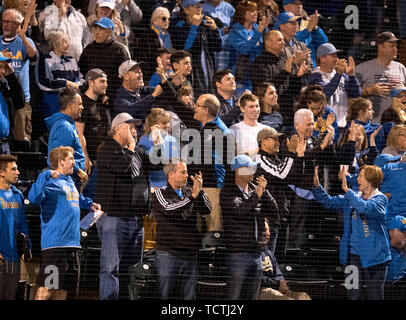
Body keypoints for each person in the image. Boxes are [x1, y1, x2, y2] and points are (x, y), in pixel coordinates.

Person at [95, 112, 163, 300]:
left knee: (131, 269)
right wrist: (132, 147)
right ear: (118, 128)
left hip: (136, 219)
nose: (135, 131)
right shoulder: (107, 148)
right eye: (130, 127)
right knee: (111, 268)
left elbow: (157, 165)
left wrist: (158, 144)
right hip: (115, 218)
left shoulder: (138, 152)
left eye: (135, 127)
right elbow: (125, 168)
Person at [28, 146, 101, 300]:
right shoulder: (49, 180)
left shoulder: (69, 180)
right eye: (71, 159)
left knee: (63, 291)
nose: (74, 163)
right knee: (47, 289)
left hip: (72, 244)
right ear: (60, 162)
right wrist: (46, 174)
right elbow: (33, 198)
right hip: (56, 246)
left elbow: (75, 198)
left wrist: (89, 204)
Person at [313, 164, 391, 300]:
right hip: (352, 258)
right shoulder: (353, 195)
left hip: (375, 259)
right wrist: (316, 185)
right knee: (352, 295)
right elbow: (328, 202)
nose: (357, 179)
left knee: (375, 296)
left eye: (360, 176)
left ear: (370, 180)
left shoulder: (381, 199)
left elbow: (365, 208)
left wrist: (347, 191)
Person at [152, 158, 212, 300]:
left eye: (187, 172)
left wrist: (201, 192)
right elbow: (170, 209)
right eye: (183, 172)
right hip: (168, 255)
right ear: (171, 174)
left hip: (190, 256)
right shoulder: (160, 194)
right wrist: (192, 197)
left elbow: (207, 210)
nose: (187, 175)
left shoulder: (189, 192)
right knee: (165, 295)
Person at [221, 154, 278, 300]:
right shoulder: (227, 192)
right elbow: (240, 211)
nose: (253, 171)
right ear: (238, 170)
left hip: (257, 253)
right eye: (249, 168)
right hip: (238, 254)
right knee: (233, 297)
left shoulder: (255, 189)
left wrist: (263, 191)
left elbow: (274, 210)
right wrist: (258, 193)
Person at [187, 93, 233, 232]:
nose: (194, 107)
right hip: (202, 186)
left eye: (197, 105)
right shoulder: (208, 128)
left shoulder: (216, 130)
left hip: (212, 188)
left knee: (214, 232)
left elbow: (222, 163)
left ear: (206, 110)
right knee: (200, 231)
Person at [0, 8, 38, 146]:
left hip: (21, 98)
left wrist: (23, 37)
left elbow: (34, 56)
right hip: (2, 98)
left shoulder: (25, 41)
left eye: (10, 22)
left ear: (18, 25)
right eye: (4, 21)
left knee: (21, 141)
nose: (6, 25)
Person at [35, 30, 84, 136]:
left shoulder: (72, 60)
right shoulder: (46, 59)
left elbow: (80, 79)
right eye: (64, 42)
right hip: (52, 102)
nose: (68, 45)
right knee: (54, 131)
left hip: (71, 100)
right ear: (55, 45)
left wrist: (75, 85)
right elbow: (43, 83)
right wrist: (65, 83)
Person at [170, 0, 222, 96]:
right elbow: (185, 48)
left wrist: (215, 30)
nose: (199, 8)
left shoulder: (204, 25)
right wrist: (194, 27)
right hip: (192, 75)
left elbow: (217, 47)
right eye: (195, 6)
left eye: (200, 5)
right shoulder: (178, 25)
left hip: (209, 72)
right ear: (186, 10)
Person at [308, 43, 362, 132]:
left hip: (343, 124)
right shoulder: (315, 76)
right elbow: (323, 95)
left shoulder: (343, 76)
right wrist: (339, 74)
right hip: (323, 124)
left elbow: (356, 94)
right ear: (323, 59)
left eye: (336, 55)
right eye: (333, 55)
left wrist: (351, 75)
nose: (336, 59)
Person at [355, 31, 406, 123]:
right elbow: (349, 94)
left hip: (398, 127)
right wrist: (369, 91)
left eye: (396, 46)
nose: (396, 49)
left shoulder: (401, 68)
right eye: (392, 46)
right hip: (373, 125)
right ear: (380, 47)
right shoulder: (363, 68)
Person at [0, 154, 31, 300]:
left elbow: (22, 223)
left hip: (14, 257)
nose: (17, 173)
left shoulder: (17, 195)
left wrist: (26, 247)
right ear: (1, 172)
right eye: (13, 169)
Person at [75, 68, 110, 199]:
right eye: (101, 81)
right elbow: (79, 133)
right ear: (90, 82)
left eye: (106, 81)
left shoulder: (102, 103)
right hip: (89, 161)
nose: (105, 84)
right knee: (86, 197)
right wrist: (85, 157)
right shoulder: (82, 104)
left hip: (101, 160)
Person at [45, 87, 88, 188]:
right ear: (70, 106)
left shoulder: (68, 124)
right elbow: (60, 157)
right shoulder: (64, 127)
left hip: (70, 179)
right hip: (66, 181)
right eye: (79, 104)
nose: (82, 107)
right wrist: (78, 171)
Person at [78, 16, 130, 99]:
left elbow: (124, 76)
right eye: (95, 28)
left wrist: (110, 95)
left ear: (109, 32)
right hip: (91, 96)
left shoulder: (119, 50)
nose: (97, 32)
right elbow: (82, 71)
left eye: (101, 29)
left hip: (112, 96)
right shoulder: (89, 49)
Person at [258, 219, 311, 300]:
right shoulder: (251, 254)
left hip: (275, 286)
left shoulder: (269, 252)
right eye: (264, 230)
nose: (267, 234)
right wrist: (276, 284)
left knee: (304, 297)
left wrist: (282, 283)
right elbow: (257, 277)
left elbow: (278, 273)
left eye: (267, 230)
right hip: (261, 289)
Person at [228, 0, 271, 92]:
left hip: (259, 72)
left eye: (256, 10)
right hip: (242, 76)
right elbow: (244, 50)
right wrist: (259, 32)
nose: (255, 13)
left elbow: (266, 48)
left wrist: (265, 30)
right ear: (242, 13)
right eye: (251, 11)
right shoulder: (235, 30)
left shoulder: (257, 27)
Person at [113, 60, 163, 135]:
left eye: (140, 71)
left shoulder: (141, 90)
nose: (141, 75)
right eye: (137, 72)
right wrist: (152, 96)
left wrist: (167, 79)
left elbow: (162, 90)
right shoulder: (119, 98)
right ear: (126, 76)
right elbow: (131, 109)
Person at [138, 108, 180, 189]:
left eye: (168, 122)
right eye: (164, 123)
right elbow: (145, 162)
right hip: (151, 185)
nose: (167, 125)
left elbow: (175, 163)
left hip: (169, 185)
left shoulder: (172, 140)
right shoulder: (144, 140)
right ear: (153, 125)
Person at [281, 0, 328, 67]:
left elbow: (323, 43)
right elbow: (290, 41)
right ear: (285, 6)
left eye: (300, 3)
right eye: (295, 3)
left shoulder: (307, 23)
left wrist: (315, 29)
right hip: (291, 68)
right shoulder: (281, 21)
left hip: (310, 68)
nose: (299, 6)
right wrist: (307, 30)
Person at [338, 121, 381, 192]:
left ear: (364, 137)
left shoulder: (366, 154)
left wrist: (372, 138)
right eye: (353, 134)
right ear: (348, 136)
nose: (356, 137)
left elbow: (372, 163)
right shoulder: (343, 150)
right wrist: (352, 142)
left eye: (359, 134)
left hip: (364, 190)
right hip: (347, 190)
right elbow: (348, 158)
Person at [134, 6, 173, 82]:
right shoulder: (146, 36)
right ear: (155, 19)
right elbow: (143, 60)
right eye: (164, 18)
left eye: (169, 19)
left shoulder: (168, 36)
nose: (167, 21)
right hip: (152, 76)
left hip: (167, 74)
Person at [0, 53, 25, 155]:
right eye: (1, 67)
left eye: (4, 67)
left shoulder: (3, 85)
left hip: (4, 144)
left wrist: (11, 77)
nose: (3, 71)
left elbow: (19, 102)